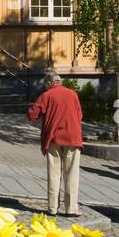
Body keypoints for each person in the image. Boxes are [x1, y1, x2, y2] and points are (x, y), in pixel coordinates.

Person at [27, 70, 84, 216]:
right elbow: (80, 115)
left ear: (49, 83)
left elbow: (33, 115)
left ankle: (52, 208)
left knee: (54, 173)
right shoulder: (73, 94)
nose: (45, 88)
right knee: (72, 173)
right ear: (59, 81)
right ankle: (71, 208)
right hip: (73, 137)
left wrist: (30, 109)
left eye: (45, 85)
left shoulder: (46, 95)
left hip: (53, 139)